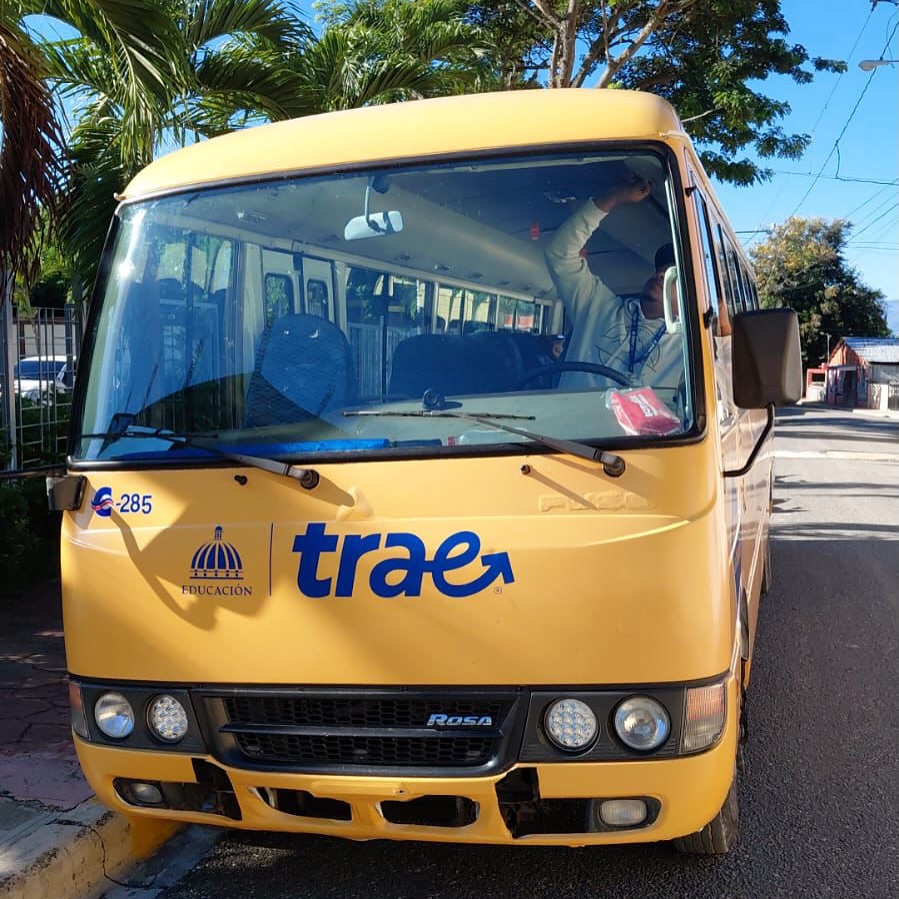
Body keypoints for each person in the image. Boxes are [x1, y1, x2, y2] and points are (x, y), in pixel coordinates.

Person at [544, 165, 682, 391]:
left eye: (672, 273)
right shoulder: (597, 307)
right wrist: (614, 196)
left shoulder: (690, 347)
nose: (660, 274)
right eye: (660, 269)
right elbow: (560, 255)